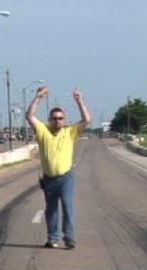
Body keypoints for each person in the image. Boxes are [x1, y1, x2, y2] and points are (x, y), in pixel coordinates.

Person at [26, 86, 91, 249]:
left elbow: (86, 120)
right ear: (50, 119)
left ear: (64, 120)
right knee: (51, 209)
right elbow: (30, 116)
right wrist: (38, 97)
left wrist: (79, 101)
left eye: (60, 118)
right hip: (49, 178)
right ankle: (53, 238)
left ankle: (69, 237)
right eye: (54, 118)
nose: (57, 121)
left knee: (68, 206)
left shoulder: (70, 132)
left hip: (66, 176)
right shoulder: (42, 131)